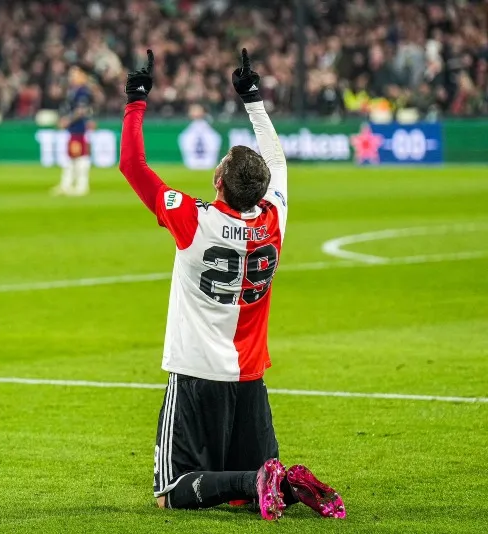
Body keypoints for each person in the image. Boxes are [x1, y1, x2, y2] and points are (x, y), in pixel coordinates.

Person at [118, 49, 345, 521]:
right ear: (261, 192)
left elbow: (133, 166)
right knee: (249, 492)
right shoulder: (273, 219)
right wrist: (253, 98)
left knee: (172, 491)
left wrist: (136, 101)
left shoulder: (192, 220)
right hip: (249, 377)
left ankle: (255, 479)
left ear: (218, 179)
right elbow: (277, 160)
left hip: (197, 375)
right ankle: (277, 479)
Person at [52, 65, 94, 196]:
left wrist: (67, 120)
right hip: (74, 129)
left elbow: (81, 110)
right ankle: (68, 184)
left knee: (79, 156)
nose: (71, 77)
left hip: (78, 128)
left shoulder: (82, 91)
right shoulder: (73, 90)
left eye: (74, 74)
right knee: (72, 157)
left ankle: (81, 185)